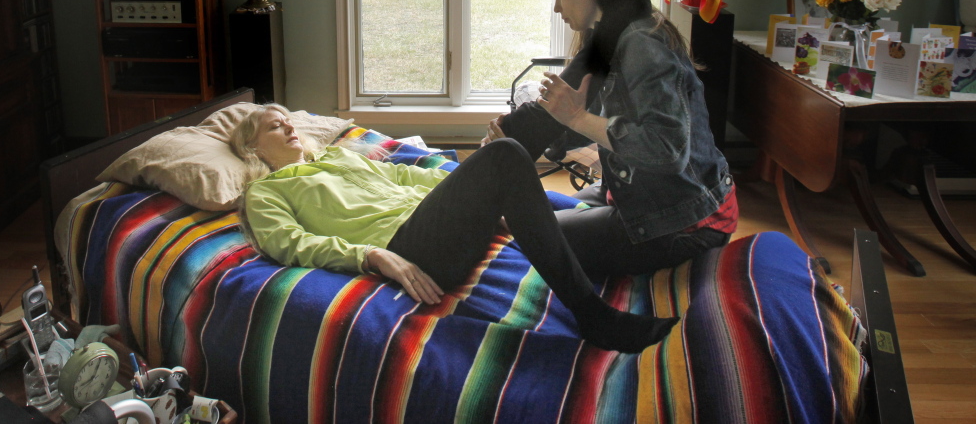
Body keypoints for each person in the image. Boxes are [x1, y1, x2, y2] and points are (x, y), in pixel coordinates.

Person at [230, 104, 678, 354]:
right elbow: (290, 244)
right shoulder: (265, 192)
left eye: (288, 120)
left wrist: (477, 192)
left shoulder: (339, 155)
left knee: (503, 163)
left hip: (433, 222)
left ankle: (606, 265)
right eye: (275, 125)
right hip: (408, 247)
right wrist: (371, 256)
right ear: (253, 146)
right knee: (505, 154)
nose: (289, 126)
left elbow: (407, 177)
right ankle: (593, 316)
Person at [483, 0, 736, 278]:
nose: (557, 8)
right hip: (637, 194)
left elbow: (667, 149)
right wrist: (513, 137)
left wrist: (577, 117)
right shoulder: (611, 34)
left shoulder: (642, 44)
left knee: (527, 238)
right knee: (513, 219)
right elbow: (583, 121)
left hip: (685, 220)